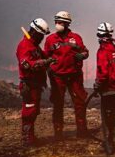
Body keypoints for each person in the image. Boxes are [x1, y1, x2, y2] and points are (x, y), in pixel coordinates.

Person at [44, 11, 89, 139]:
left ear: (67, 23)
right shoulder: (50, 39)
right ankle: (58, 133)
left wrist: (83, 55)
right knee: (58, 104)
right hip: (58, 77)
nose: (57, 24)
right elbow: (46, 57)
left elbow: (85, 51)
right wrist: (49, 72)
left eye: (60, 22)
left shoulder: (76, 37)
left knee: (80, 103)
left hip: (74, 76)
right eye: (56, 22)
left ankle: (82, 131)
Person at [16, 18, 54, 146]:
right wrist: (44, 62)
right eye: (41, 35)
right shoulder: (24, 45)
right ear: (34, 32)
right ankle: (27, 138)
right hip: (29, 85)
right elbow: (27, 65)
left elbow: (44, 55)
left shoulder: (34, 46)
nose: (42, 38)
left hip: (36, 85)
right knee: (29, 111)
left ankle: (30, 136)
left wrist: (51, 55)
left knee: (34, 111)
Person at [93, 22, 115, 151]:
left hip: (108, 88)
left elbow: (103, 72)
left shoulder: (103, 50)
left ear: (100, 35)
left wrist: (97, 85)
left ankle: (110, 145)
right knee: (114, 115)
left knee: (107, 117)